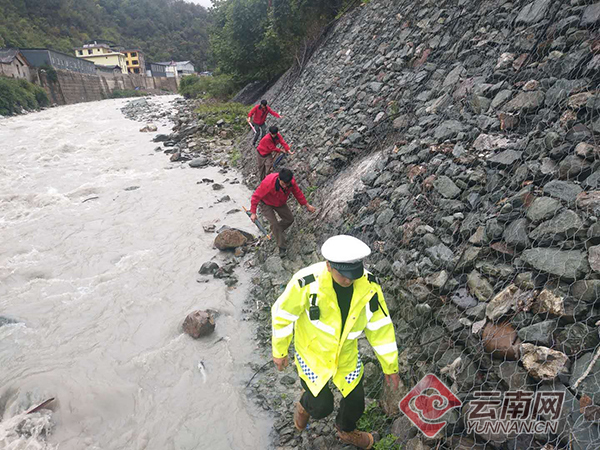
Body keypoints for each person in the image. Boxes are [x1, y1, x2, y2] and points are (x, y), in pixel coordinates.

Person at [271, 235, 400, 449]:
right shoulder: (306, 283)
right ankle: (305, 405)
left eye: (354, 274)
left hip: (346, 358)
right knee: (322, 408)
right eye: (344, 275)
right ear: (329, 266)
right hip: (313, 356)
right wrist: (280, 350)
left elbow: (380, 327)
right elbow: (282, 314)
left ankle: (346, 430)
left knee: (356, 403)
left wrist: (390, 366)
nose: (349, 280)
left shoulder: (369, 286)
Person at [250, 168, 316, 256]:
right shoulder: (268, 183)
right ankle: (282, 247)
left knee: (290, 219)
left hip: (280, 202)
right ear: (279, 179)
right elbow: (255, 196)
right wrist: (253, 213)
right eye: (283, 184)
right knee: (274, 224)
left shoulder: (291, 182)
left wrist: (307, 205)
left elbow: (298, 193)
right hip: (266, 203)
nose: (285, 186)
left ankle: (276, 231)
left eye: (287, 184)